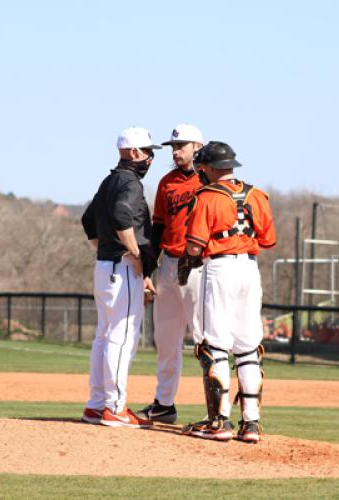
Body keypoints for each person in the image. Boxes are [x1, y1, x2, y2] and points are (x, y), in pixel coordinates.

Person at [179, 141, 276, 443]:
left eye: (201, 167)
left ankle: (219, 422)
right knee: (248, 347)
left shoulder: (206, 197)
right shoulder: (257, 195)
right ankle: (251, 424)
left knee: (214, 345)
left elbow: (195, 245)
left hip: (219, 268)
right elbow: (269, 239)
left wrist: (186, 260)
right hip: (249, 268)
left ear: (208, 168)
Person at [80, 126, 160, 428]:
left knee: (104, 335)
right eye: (149, 152)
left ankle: (96, 404)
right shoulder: (130, 183)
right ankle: (114, 407)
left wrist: (106, 250)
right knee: (122, 338)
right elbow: (121, 215)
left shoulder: (110, 179)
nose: (151, 158)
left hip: (105, 267)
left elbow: (88, 220)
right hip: (123, 267)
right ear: (137, 153)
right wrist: (135, 255)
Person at [136, 124, 204, 424]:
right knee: (166, 339)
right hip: (168, 266)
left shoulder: (210, 180)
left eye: (182, 145)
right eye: (174, 146)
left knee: (205, 338)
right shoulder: (167, 183)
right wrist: (147, 270)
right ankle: (164, 404)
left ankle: (217, 410)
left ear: (197, 147)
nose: (176, 151)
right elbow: (158, 229)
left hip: (200, 266)